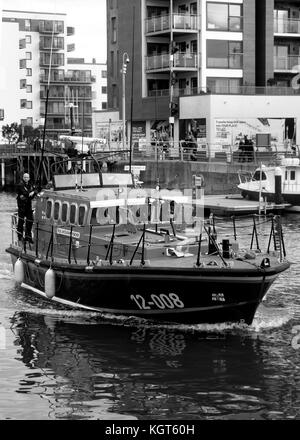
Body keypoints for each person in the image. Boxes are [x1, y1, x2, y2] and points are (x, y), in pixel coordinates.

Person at [16, 173, 37, 243]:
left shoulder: (30, 185)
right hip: (21, 206)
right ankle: (20, 236)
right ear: (23, 177)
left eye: (27, 177)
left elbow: (35, 191)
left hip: (28, 206)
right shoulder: (20, 185)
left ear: (29, 178)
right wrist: (30, 193)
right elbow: (25, 192)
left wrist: (33, 192)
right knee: (21, 222)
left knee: (30, 221)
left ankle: (28, 237)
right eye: (25, 177)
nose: (26, 178)